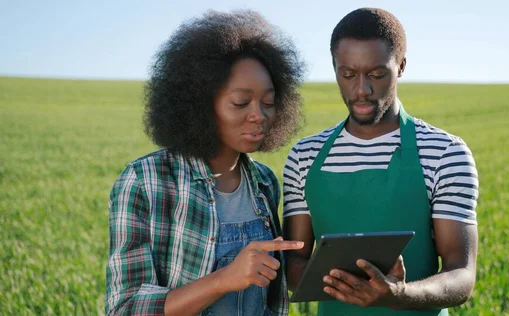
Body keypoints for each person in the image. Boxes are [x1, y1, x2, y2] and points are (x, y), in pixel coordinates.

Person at [105, 9, 306, 316]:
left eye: (268, 102)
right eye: (240, 102)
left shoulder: (264, 182)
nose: (259, 115)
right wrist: (224, 279)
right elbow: (125, 308)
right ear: (200, 103)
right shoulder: (145, 181)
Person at [283, 7, 479, 316]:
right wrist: (349, 284)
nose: (361, 90)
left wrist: (400, 295)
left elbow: (461, 274)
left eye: (376, 74)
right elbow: (294, 261)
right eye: (347, 74)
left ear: (401, 66)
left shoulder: (445, 152)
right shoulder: (304, 156)